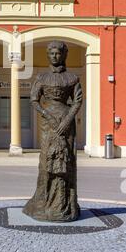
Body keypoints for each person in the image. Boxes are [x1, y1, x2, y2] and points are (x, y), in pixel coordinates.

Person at [23, 41, 83, 222]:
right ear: (48, 55)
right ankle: (43, 202)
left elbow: (77, 100)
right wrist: (46, 115)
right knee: (47, 161)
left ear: (64, 55)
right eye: (51, 53)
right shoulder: (41, 78)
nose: (55, 56)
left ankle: (66, 205)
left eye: (58, 53)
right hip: (48, 124)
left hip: (67, 123)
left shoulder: (72, 78)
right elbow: (34, 100)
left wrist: (67, 120)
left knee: (67, 161)